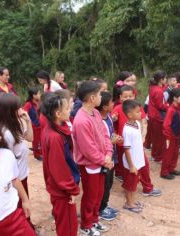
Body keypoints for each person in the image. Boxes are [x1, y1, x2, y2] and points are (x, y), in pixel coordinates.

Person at [72, 81, 113, 236]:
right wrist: (105, 160)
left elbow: (105, 135)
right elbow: (88, 150)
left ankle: (94, 220)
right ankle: (86, 225)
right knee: (90, 195)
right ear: (91, 98)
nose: (101, 97)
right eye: (99, 94)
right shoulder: (81, 120)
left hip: (102, 161)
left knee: (99, 193)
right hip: (90, 164)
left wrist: (108, 153)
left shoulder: (95, 113)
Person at [40, 93, 80, 236]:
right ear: (58, 113)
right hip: (62, 190)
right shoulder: (55, 137)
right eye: (68, 109)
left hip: (58, 187)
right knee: (68, 226)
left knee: (64, 221)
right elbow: (59, 168)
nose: (70, 111)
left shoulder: (52, 129)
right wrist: (71, 189)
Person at [111, 85, 161, 197]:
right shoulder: (118, 108)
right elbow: (112, 123)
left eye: (130, 95)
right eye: (125, 96)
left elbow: (143, 122)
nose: (128, 98)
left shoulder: (137, 108)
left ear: (134, 95)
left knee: (144, 166)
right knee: (127, 168)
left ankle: (147, 188)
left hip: (136, 145)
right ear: (120, 97)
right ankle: (128, 188)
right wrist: (114, 120)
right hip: (122, 144)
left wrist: (142, 137)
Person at [0, 93, 33, 204]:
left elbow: (30, 138)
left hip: (22, 173)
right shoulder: (6, 134)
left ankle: (27, 221)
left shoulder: (16, 124)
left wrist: (28, 121)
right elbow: (7, 163)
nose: (22, 110)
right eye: (18, 108)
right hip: (16, 179)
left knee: (25, 202)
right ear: (9, 112)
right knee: (20, 204)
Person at [96, 91, 121, 221]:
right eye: (112, 102)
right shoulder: (98, 121)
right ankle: (100, 208)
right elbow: (99, 142)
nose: (114, 104)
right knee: (104, 183)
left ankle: (105, 204)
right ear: (105, 107)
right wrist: (112, 141)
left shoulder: (109, 116)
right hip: (104, 157)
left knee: (110, 181)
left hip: (112, 153)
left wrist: (114, 138)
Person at [121, 99, 146, 213]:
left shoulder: (136, 124)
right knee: (129, 184)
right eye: (137, 112)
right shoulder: (127, 130)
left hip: (138, 160)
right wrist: (131, 165)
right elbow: (126, 149)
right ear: (130, 115)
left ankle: (132, 201)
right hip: (131, 163)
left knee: (134, 182)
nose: (140, 113)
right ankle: (128, 203)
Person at [160, 88, 180, 180]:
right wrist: (168, 138)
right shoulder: (171, 110)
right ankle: (164, 172)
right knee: (168, 154)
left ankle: (171, 169)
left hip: (176, 135)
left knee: (175, 153)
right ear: (174, 98)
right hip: (170, 136)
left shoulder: (178, 108)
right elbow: (166, 125)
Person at [148, 70, 169, 163]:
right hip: (157, 116)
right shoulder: (158, 91)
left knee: (155, 137)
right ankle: (158, 157)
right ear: (161, 80)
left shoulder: (153, 87)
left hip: (152, 115)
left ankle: (154, 155)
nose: (166, 80)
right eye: (165, 78)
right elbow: (160, 105)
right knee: (160, 138)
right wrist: (168, 106)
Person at [23, 87, 43, 161]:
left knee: (41, 140)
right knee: (36, 141)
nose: (40, 95)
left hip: (40, 125)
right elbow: (24, 114)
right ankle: (37, 154)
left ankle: (41, 153)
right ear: (34, 95)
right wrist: (30, 123)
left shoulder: (39, 102)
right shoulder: (28, 104)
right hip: (34, 126)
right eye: (39, 93)